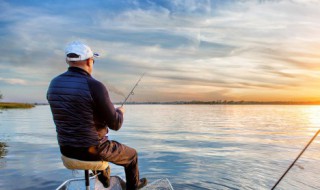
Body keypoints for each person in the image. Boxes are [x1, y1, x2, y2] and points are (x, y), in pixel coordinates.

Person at [47, 41, 147, 190]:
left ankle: (104, 179)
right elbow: (116, 124)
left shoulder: (54, 84)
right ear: (89, 61)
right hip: (92, 151)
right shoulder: (95, 86)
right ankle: (133, 187)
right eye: (93, 60)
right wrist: (120, 112)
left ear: (69, 61)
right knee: (132, 155)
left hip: (66, 150)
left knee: (97, 141)